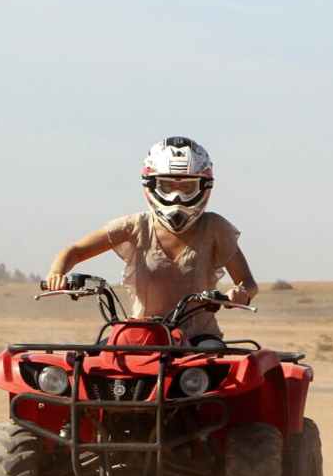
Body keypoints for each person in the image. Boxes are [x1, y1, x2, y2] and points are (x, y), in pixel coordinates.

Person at [44, 136, 259, 342]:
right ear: (151, 184)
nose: (177, 196)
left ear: (203, 186)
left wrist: (240, 293)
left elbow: (248, 283)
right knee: (98, 364)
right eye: (167, 186)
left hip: (198, 337)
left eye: (186, 187)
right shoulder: (135, 226)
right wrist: (56, 273)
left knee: (215, 373)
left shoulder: (214, 227)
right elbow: (76, 250)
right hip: (142, 334)